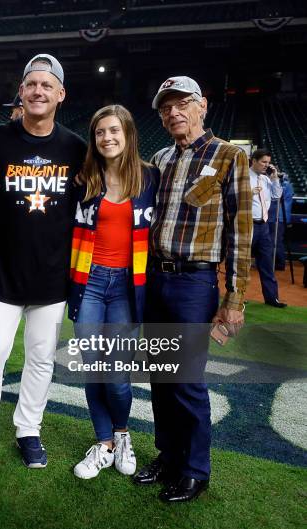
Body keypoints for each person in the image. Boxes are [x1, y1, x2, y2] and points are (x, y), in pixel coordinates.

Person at [0, 54, 87, 468]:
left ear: (60, 94)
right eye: (31, 84)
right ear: (21, 92)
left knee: (41, 358)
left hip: (52, 277)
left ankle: (29, 429)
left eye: (47, 85)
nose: (38, 91)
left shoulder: (75, 147)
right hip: (3, 273)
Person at [134, 76, 252, 502]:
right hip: (155, 277)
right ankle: (168, 456)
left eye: (182, 103)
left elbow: (241, 233)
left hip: (194, 281)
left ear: (202, 106)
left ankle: (195, 470)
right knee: (162, 377)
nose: (173, 112)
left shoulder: (229, 156)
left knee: (186, 380)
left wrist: (235, 298)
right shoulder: (159, 158)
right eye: (166, 107)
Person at [67, 105, 158, 479]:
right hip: (88, 282)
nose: (107, 137)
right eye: (100, 131)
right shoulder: (85, 178)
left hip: (127, 285)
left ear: (128, 134)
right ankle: (103, 442)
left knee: (117, 375)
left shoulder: (151, 178)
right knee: (94, 370)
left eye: (114, 131)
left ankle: (122, 434)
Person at [248, 149, 285, 307]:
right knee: (240, 265)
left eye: (268, 162)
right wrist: (248, 193)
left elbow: (277, 196)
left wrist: (275, 178)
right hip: (247, 225)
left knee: (267, 264)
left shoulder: (266, 179)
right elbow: (232, 198)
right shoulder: (243, 177)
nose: (266, 165)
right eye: (263, 162)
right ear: (253, 160)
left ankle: (272, 299)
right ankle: (235, 300)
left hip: (263, 227)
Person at [268, 174, 293, 271]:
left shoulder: (284, 184)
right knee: (275, 240)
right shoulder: (286, 183)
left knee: (276, 241)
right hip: (277, 216)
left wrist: (275, 180)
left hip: (278, 217)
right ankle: (276, 262)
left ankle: (278, 263)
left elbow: (277, 196)